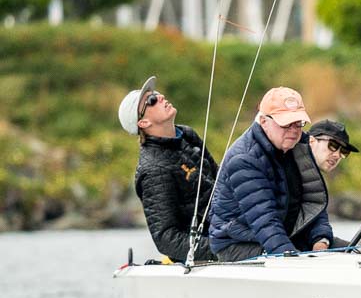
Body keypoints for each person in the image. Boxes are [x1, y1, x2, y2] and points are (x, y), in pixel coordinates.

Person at [209, 86, 334, 262]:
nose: (294, 130)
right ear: (263, 121)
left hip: (286, 234)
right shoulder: (244, 159)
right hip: (239, 244)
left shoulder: (299, 146)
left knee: (351, 254)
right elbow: (264, 220)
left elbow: (313, 201)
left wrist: (321, 239)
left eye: (298, 123)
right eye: (286, 123)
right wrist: (290, 258)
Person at [118, 75, 218, 262]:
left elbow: (219, 177)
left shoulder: (187, 134)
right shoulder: (153, 170)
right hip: (210, 248)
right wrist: (222, 247)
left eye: (156, 94)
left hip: (230, 224)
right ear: (143, 123)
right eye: (152, 100)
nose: (161, 97)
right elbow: (166, 239)